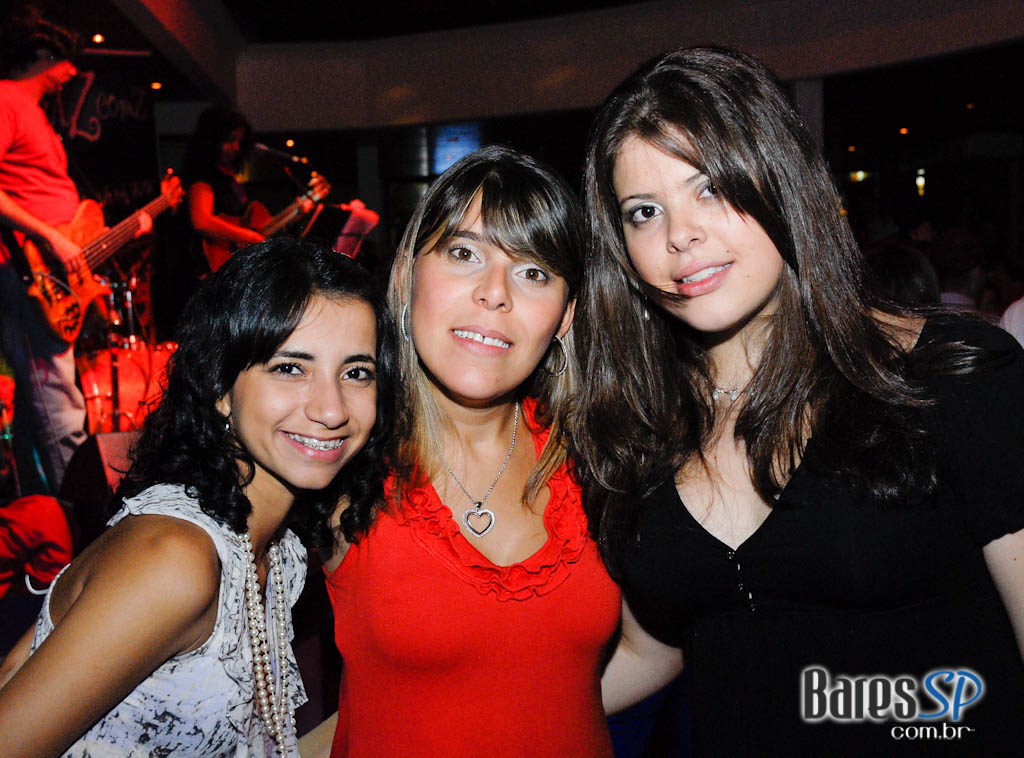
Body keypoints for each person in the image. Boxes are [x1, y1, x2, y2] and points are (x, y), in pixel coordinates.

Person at [573, 47, 1024, 755]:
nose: (679, 235)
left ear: (782, 181)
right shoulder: (644, 424)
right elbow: (661, 641)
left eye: (710, 188)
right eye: (644, 212)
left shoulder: (951, 375)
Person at [0, 238, 396, 758]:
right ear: (220, 387)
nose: (332, 409)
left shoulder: (274, 549)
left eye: (356, 372)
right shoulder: (177, 558)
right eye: (290, 368)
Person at [317, 146, 621, 758]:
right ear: (406, 275)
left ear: (565, 317)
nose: (494, 294)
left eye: (533, 273)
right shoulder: (335, 452)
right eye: (464, 254)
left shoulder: (602, 459)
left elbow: (655, 645)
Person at [0, 8, 87, 495]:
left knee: (40, 405)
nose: (72, 72)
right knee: (57, 396)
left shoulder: (32, 112)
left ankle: (49, 514)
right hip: (23, 270)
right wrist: (49, 236)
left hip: (46, 274)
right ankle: (83, 514)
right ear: (39, 55)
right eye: (65, 59)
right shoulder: (6, 99)